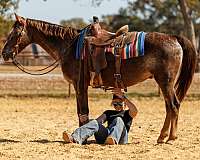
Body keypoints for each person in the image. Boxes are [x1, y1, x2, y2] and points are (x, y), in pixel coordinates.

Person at [63, 88, 138, 145]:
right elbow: (97, 123)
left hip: (121, 138)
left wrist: (124, 98)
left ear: (125, 104)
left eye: (120, 104)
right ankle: (74, 138)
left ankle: (113, 139)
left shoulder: (127, 113)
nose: (117, 106)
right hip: (106, 137)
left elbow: (135, 111)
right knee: (94, 122)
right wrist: (86, 120)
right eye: (115, 104)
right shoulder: (108, 112)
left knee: (118, 119)